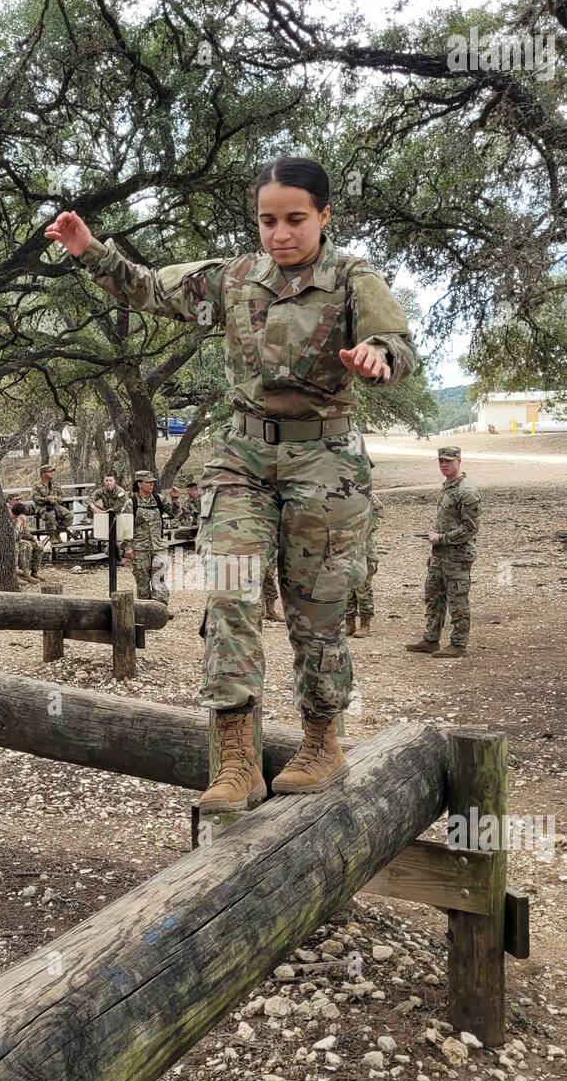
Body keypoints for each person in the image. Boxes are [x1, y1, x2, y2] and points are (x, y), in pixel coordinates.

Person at [45, 155, 417, 810]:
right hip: (243, 458)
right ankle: (237, 758)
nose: (280, 233)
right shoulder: (236, 277)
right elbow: (149, 287)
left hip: (323, 463)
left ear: (324, 216)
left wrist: (377, 356)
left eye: (295, 219)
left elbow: (396, 340)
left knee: (316, 610)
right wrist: (89, 251)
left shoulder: (354, 277)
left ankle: (322, 742)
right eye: (268, 220)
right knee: (231, 594)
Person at [406, 446, 480, 658]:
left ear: (459, 460)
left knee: (458, 600)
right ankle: (431, 640)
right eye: (440, 461)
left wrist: (443, 539)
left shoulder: (466, 492)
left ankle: (458, 644)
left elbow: (471, 528)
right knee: (433, 597)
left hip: (458, 557)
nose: (444, 464)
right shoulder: (447, 488)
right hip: (440, 555)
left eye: (448, 460)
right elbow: (444, 522)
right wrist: (435, 547)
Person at [124, 469, 172, 602]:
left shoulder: (159, 499)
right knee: (142, 582)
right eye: (148, 482)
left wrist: (174, 498)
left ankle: (160, 609)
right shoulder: (131, 503)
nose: (151, 485)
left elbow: (174, 513)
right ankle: (145, 612)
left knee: (159, 577)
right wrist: (127, 547)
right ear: (139, 484)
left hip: (159, 547)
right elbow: (124, 527)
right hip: (140, 548)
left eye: (153, 482)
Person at [345, 491, 384, 638]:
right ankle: (349, 623)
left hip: (365, 550)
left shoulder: (368, 495)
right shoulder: (342, 495)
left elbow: (380, 513)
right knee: (347, 587)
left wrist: (367, 530)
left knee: (363, 587)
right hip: (348, 548)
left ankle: (365, 624)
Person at [31, 464, 73, 543]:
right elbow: (35, 498)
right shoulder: (36, 485)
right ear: (43, 474)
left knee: (69, 515)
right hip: (42, 506)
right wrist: (46, 499)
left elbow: (61, 495)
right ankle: (52, 535)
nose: (51, 473)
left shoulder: (56, 484)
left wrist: (56, 499)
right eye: (49, 472)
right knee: (49, 514)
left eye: (52, 472)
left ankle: (58, 532)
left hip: (55, 504)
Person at [10, 501, 45, 581]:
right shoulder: (8, 518)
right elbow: (12, 536)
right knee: (26, 546)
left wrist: (35, 539)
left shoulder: (20, 518)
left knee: (38, 546)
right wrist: (18, 525)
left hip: (18, 539)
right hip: (12, 541)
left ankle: (34, 571)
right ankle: (24, 573)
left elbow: (25, 533)